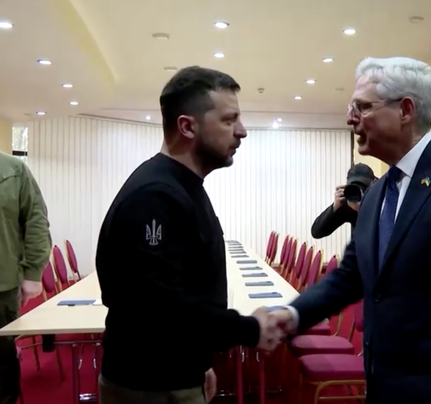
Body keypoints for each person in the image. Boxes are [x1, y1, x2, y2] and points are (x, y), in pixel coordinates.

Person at [270, 57, 431, 404]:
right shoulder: (375, 193)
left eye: (362, 107)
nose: (350, 118)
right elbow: (349, 277)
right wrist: (292, 314)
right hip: (383, 382)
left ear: (405, 109)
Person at [95, 66, 283, 404]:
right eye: (229, 120)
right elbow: (161, 309)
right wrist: (248, 330)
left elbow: (180, 292)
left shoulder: (181, 185)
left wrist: (198, 363)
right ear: (187, 126)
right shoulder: (155, 195)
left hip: (173, 374)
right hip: (149, 385)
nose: (242, 132)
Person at [0, 151, 51, 404]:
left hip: (2, 287)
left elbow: (36, 218)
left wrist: (32, 272)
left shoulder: (13, 169)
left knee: (1, 365)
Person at [310, 163, 375, 239]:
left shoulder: (381, 197)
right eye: (354, 186)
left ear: (373, 184)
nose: (359, 191)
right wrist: (334, 207)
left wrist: (361, 209)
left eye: (364, 186)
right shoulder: (349, 201)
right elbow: (316, 232)